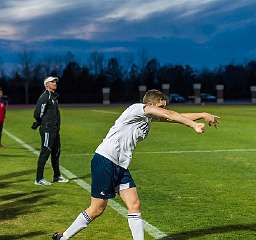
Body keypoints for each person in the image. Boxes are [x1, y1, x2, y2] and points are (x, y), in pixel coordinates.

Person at [52, 89, 219, 240]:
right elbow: (170, 114)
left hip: (120, 165)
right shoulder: (137, 108)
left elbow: (174, 117)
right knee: (97, 209)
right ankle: (64, 237)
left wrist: (203, 114)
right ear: (151, 104)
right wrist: (194, 125)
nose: (163, 109)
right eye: (161, 106)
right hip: (105, 160)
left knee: (134, 205)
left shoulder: (148, 117)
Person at [32, 76, 68, 186]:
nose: (55, 83)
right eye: (52, 82)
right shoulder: (45, 97)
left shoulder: (53, 97)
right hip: (47, 130)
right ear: (47, 85)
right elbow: (37, 113)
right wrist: (41, 123)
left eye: (55, 81)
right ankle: (39, 179)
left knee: (56, 153)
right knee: (45, 152)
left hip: (55, 130)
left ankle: (56, 176)